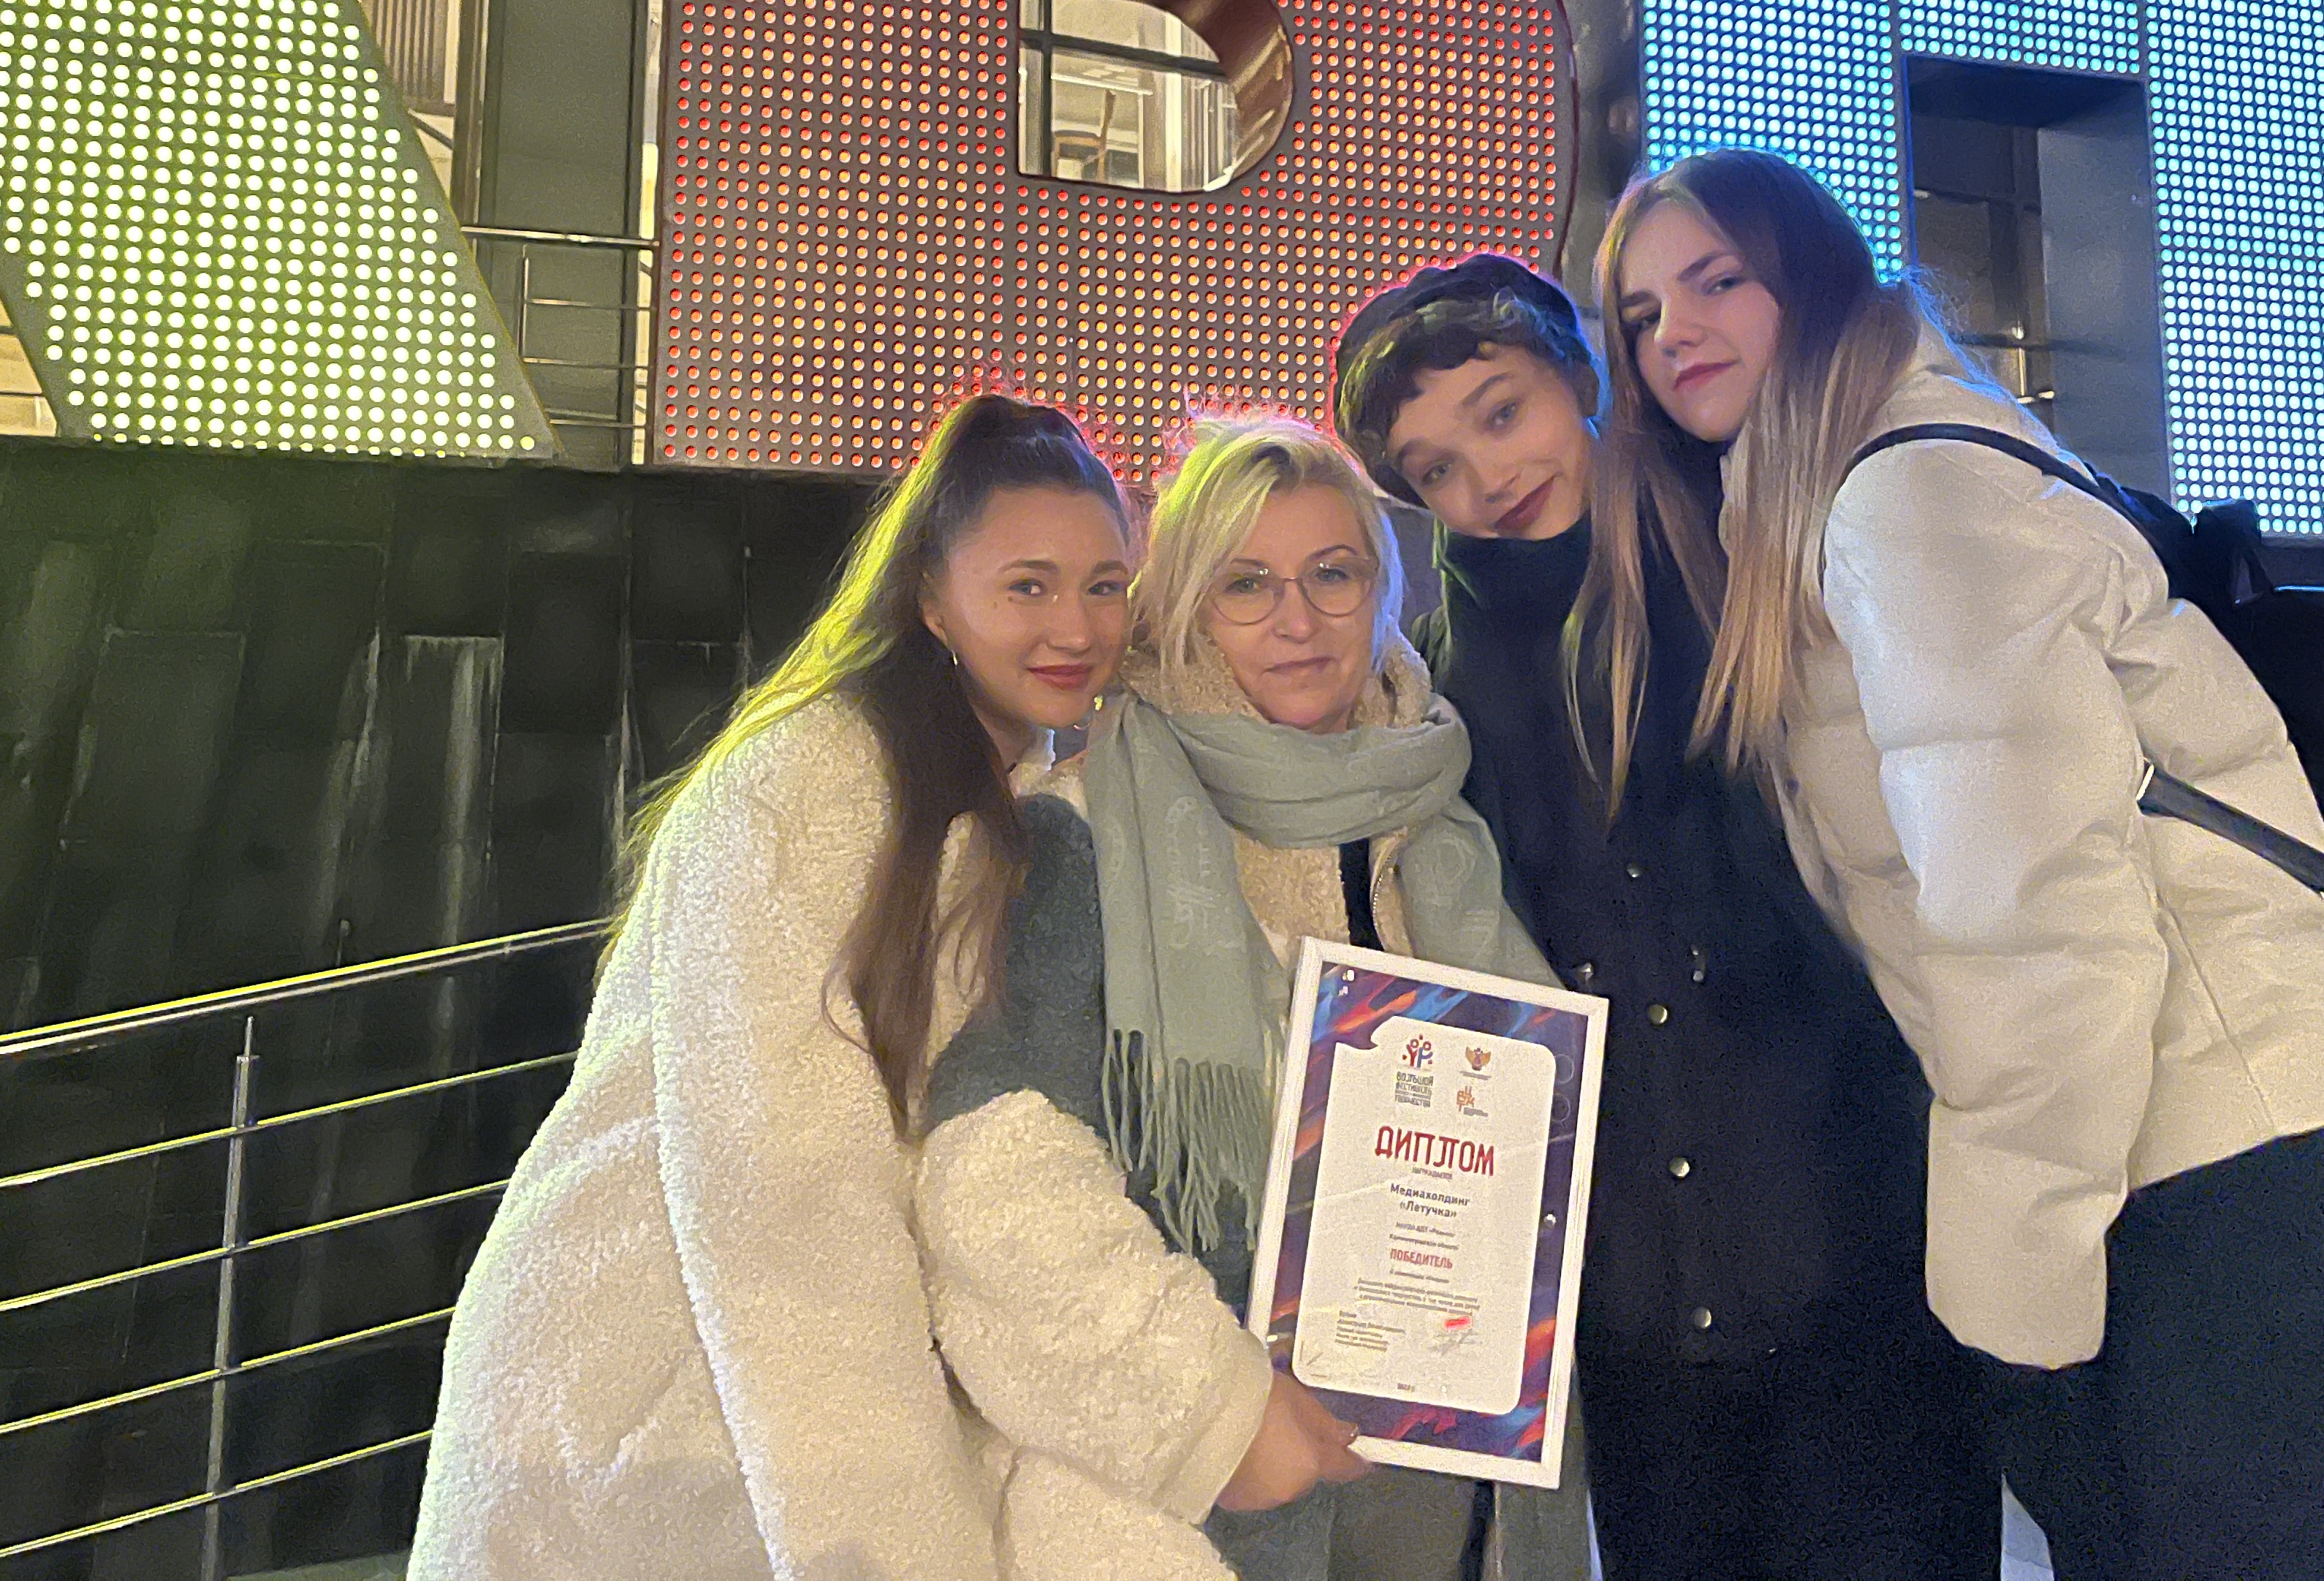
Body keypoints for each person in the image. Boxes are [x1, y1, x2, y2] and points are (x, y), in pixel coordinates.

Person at [1589, 150, 2324, 1581]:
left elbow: (2037, 928)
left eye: (1716, 281)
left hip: (2240, 1158)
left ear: (1810, 279)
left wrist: (2013, 1301)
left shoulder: (1906, 499)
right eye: (1639, 315)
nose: (1673, 331)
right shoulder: (1834, 507)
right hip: (2197, 1156)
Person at [1332, 254, 1996, 1581]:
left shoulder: (1755, 565)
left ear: (1580, 377)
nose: (1486, 478)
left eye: (1502, 414)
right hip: (1634, 1312)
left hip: (1861, 1243)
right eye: (1435, 469)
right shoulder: (1431, 703)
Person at [408, 395, 1138, 1580]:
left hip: (761, 1413)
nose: (1077, 626)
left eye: (1106, 585)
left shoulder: (1026, 802)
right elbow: (789, 1199)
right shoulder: (815, 782)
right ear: (932, 597)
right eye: (1029, 586)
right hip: (637, 1407)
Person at [916, 414, 1593, 1581]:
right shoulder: (1084, 831)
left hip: (1460, 1492)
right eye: (1245, 585)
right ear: (1184, 606)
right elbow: (993, 1172)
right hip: (1232, 1512)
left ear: (1381, 588)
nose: (1297, 619)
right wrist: (1211, 1419)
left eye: (1333, 573)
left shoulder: (1449, 820)